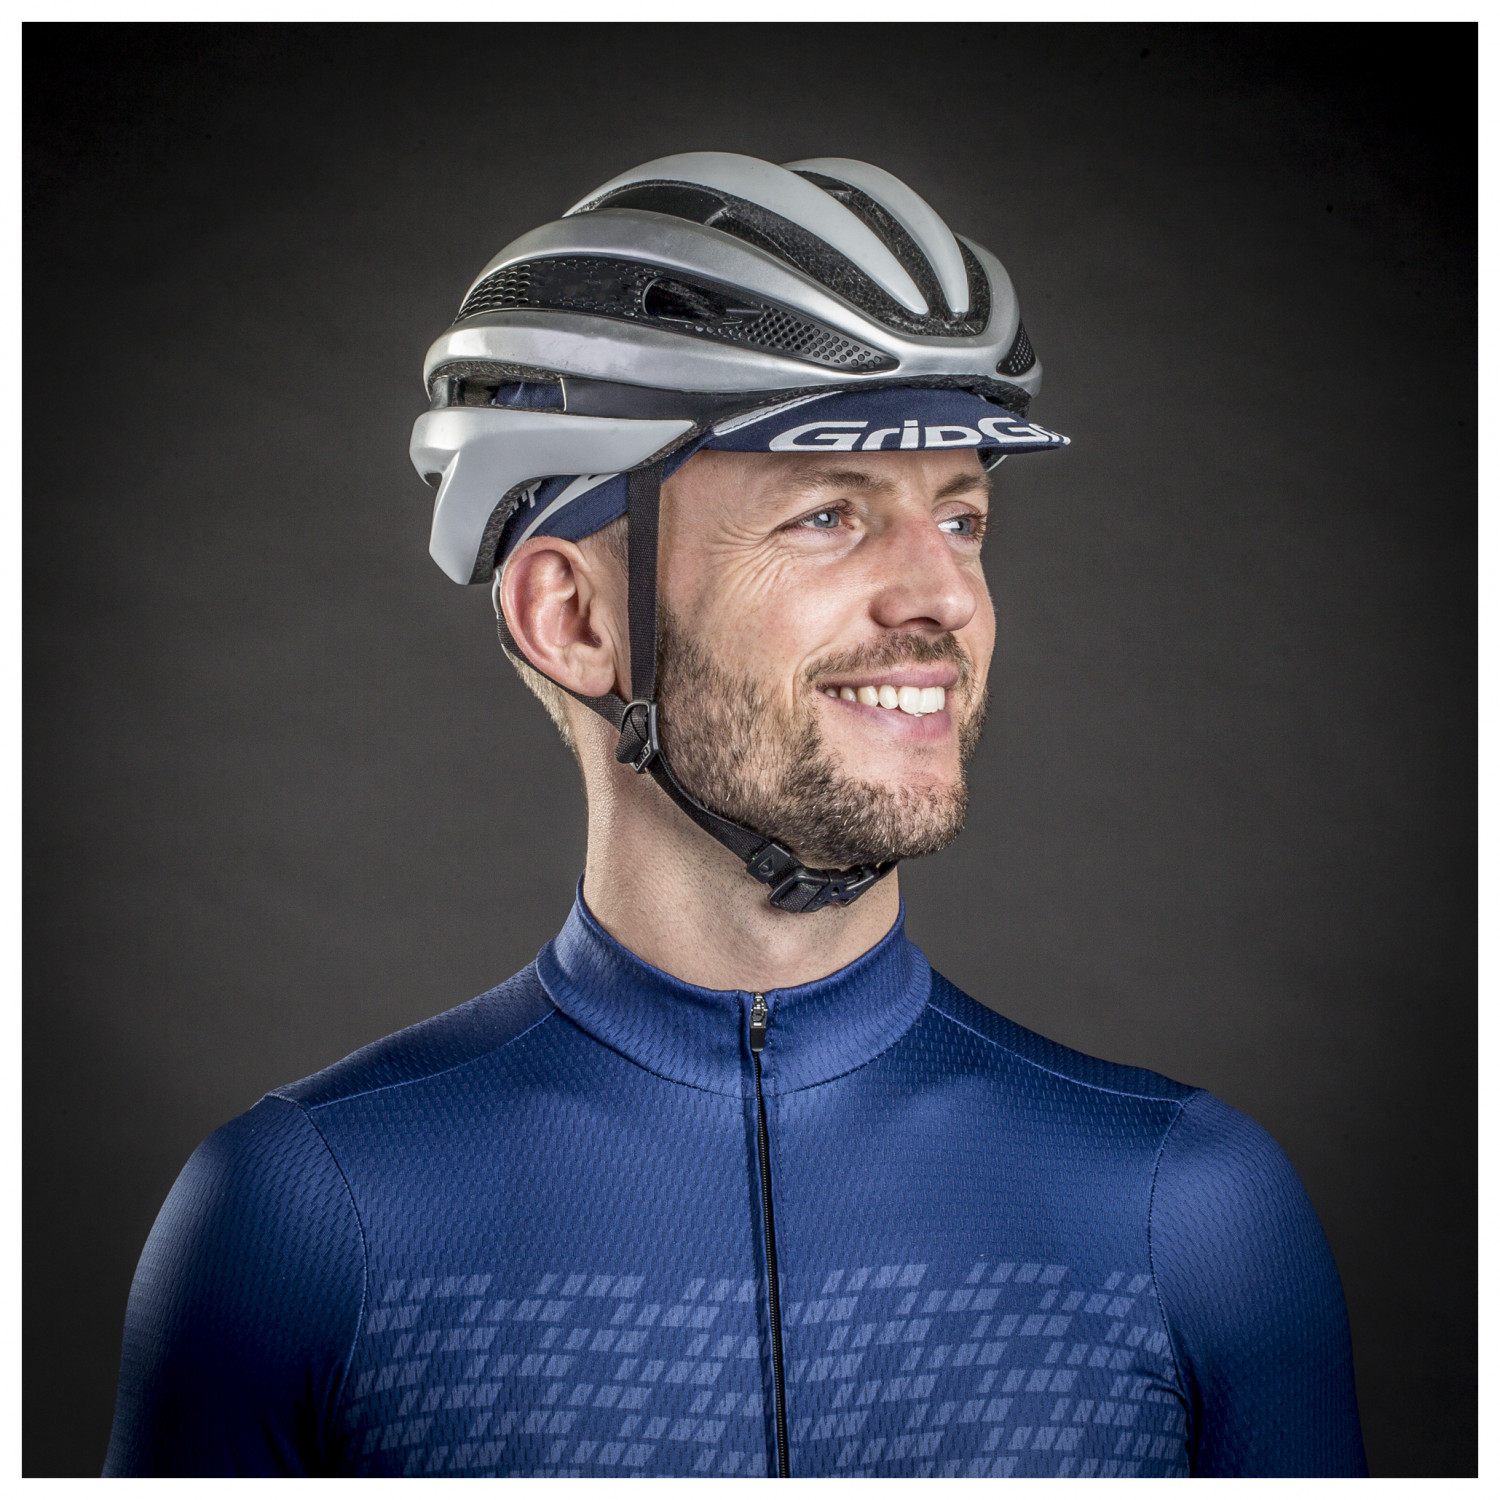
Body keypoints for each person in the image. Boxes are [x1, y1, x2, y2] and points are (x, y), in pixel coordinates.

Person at [103, 153, 1366, 1479]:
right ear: (574, 619)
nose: (943, 597)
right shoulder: (302, 1219)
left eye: (962, 516)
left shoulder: (1191, 1210)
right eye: (827, 515)